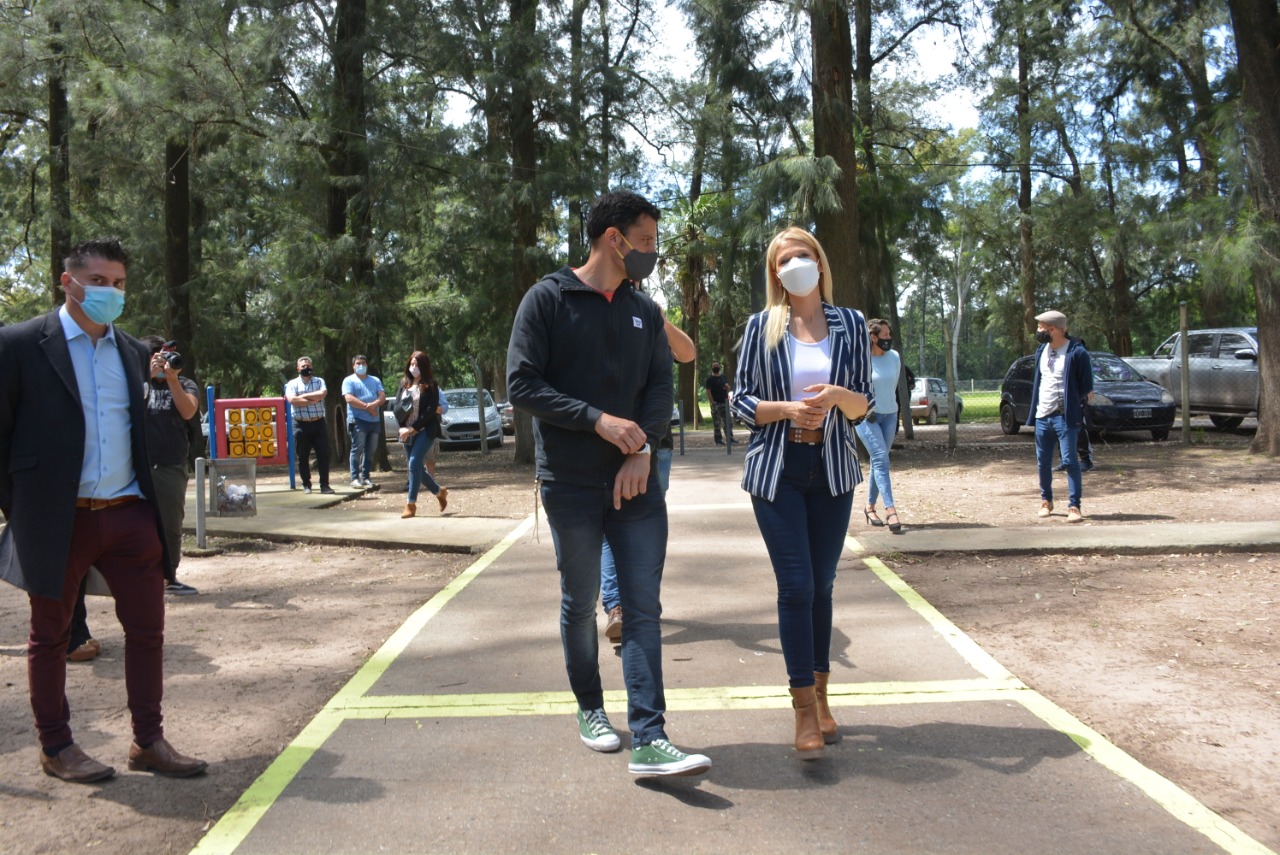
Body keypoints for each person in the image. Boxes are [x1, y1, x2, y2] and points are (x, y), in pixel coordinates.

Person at [507, 190, 711, 777]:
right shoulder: (547, 299)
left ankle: (650, 736)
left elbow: (659, 388)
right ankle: (591, 708)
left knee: (642, 608)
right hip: (569, 483)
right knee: (578, 605)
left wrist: (642, 448)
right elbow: (522, 385)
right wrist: (595, 418)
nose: (651, 252)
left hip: (636, 485)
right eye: (645, 241)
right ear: (613, 239)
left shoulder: (644, 310)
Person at [0, 237, 207, 783]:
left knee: (148, 632)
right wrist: (22, 510)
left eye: (117, 284)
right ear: (67, 283)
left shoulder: (135, 352)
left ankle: (148, 741)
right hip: (59, 520)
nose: (109, 293)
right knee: (50, 637)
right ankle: (56, 747)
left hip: (130, 516)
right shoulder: (19, 345)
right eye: (97, 282)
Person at [732, 226, 872, 758]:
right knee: (795, 586)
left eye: (805, 254)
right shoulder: (762, 326)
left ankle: (822, 693)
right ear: (776, 272)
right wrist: (788, 409)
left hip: (831, 468)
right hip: (777, 467)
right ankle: (803, 712)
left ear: (820, 261)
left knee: (822, 585)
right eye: (786, 259)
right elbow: (741, 403)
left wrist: (837, 396)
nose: (797, 264)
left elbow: (865, 408)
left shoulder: (851, 324)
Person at [600, 318, 695, 643]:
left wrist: (658, 318)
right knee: (611, 526)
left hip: (655, 448)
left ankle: (628, 606)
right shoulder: (596, 315)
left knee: (640, 526)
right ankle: (618, 606)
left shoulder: (649, 320)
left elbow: (687, 352)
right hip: (605, 446)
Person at [142, 335, 202, 595]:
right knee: (132, 523)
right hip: (137, 465)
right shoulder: (133, 383)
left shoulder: (185, 383)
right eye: (156, 357)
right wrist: (145, 376)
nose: (162, 362)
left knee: (170, 524)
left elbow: (188, 411)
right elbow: (123, 408)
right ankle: (137, 578)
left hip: (171, 464)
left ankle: (168, 577)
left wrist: (172, 379)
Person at [1027, 309, 1094, 523]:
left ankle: (1074, 506)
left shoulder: (1077, 352)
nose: (1037, 331)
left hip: (1066, 417)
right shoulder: (1040, 351)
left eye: (1040, 327)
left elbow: (1086, 385)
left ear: (1053, 329)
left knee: (1070, 460)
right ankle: (1046, 501)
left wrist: (1073, 403)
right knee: (1042, 462)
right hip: (1043, 416)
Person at [856, 319, 903, 532]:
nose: (888, 338)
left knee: (878, 462)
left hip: (890, 416)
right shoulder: (861, 360)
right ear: (873, 337)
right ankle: (891, 510)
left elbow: (891, 387)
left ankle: (869, 507)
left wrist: (888, 407)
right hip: (868, 417)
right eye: (884, 335)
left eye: (889, 334)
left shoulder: (894, 357)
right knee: (881, 459)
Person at [395, 351, 448, 519]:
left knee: (414, 462)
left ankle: (410, 504)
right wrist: (403, 428)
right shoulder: (404, 384)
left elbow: (431, 411)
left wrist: (413, 428)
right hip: (407, 432)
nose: (413, 368)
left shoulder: (431, 385)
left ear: (423, 366)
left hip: (425, 431)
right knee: (415, 467)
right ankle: (440, 493)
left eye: (416, 365)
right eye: (411, 364)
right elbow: (397, 409)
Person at [285, 356, 333, 494]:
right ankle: (306, 484)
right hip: (300, 424)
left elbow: (322, 394)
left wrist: (303, 398)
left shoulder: (319, 381)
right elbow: (292, 399)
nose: (306, 368)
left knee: (323, 455)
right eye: (303, 366)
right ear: (298, 368)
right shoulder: (292, 384)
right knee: (302, 456)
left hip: (318, 423)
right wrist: (312, 400)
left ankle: (325, 485)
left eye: (308, 365)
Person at [342, 354, 386, 489]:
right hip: (358, 420)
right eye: (358, 363)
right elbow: (349, 398)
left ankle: (366, 477)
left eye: (363, 363)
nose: (361, 366)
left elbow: (382, 396)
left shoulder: (375, 380)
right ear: (353, 366)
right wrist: (368, 408)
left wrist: (373, 406)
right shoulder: (349, 381)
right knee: (357, 449)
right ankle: (355, 478)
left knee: (370, 450)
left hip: (374, 421)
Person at [704, 361, 733, 445]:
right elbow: (708, 391)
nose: (716, 367)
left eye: (717, 365)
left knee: (728, 421)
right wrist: (712, 402)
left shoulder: (723, 377)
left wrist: (727, 387)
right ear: (712, 368)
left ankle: (730, 438)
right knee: (717, 422)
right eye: (714, 366)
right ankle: (718, 440)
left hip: (725, 402)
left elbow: (727, 386)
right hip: (716, 403)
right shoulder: (710, 379)